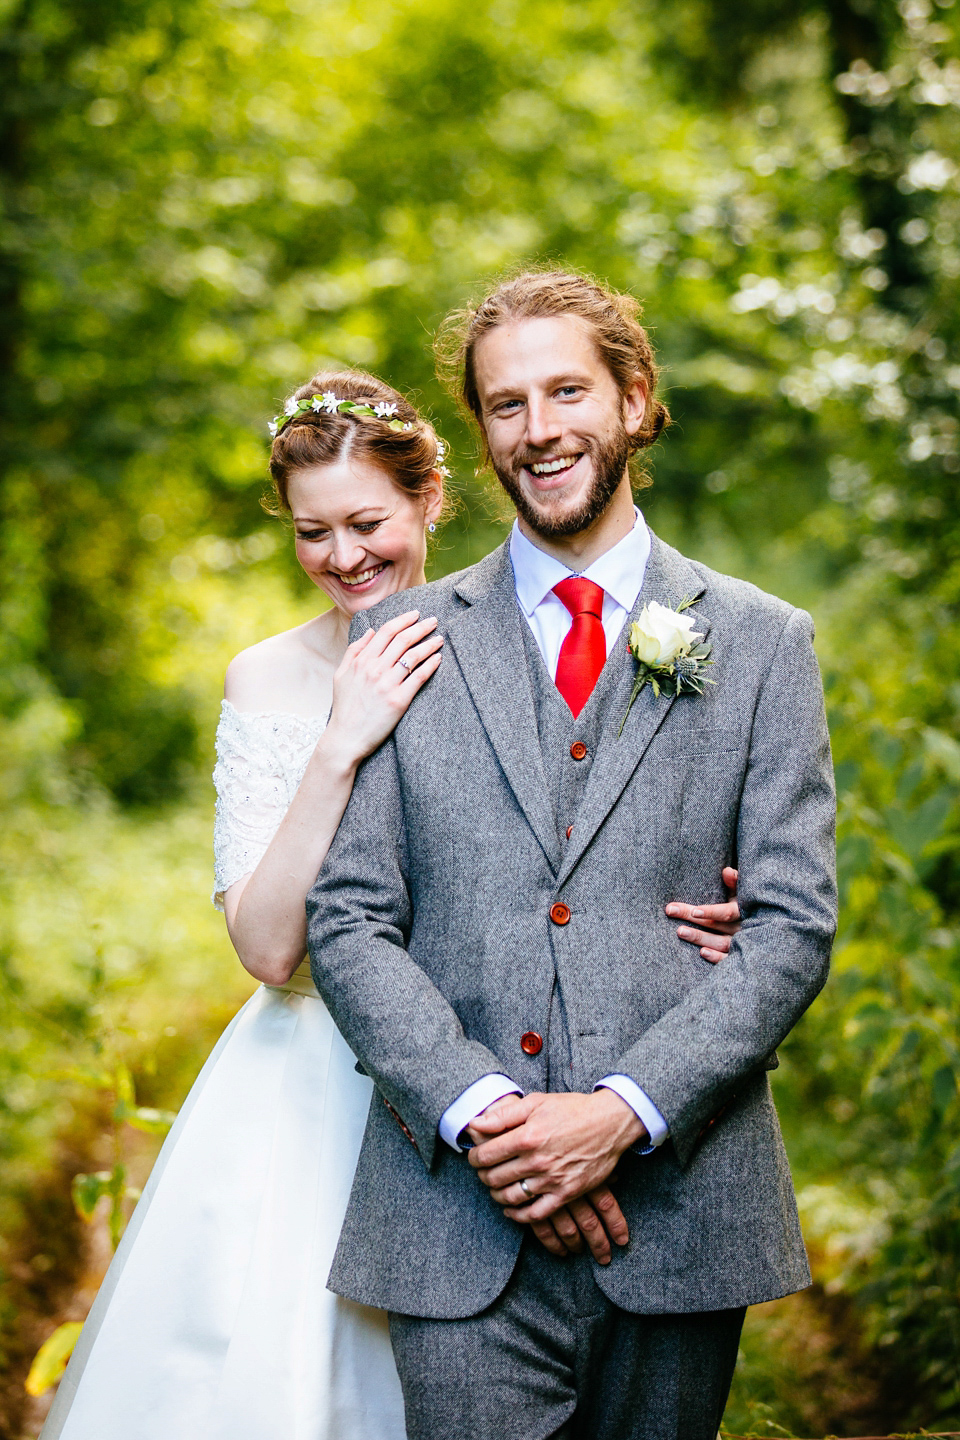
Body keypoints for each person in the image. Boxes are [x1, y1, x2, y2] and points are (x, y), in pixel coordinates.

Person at [39, 362, 743, 1440]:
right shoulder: (266, 678)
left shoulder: (507, 632)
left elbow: (579, 856)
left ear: (429, 499)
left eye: (364, 520)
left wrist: (692, 905)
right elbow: (269, 950)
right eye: (310, 533)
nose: (342, 557)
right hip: (315, 1091)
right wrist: (341, 740)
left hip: (493, 1051)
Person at [306, 272, 838, 1440]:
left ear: (635, 399)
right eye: (505, 405)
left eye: (565, 391)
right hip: (455, 1219)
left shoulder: (759, 642)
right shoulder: (400, 639)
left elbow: (793, 924)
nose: (538, 430)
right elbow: (347, 920)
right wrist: (489, 1116)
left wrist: (620, 1113)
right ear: (483, 434)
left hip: (681, 1206)